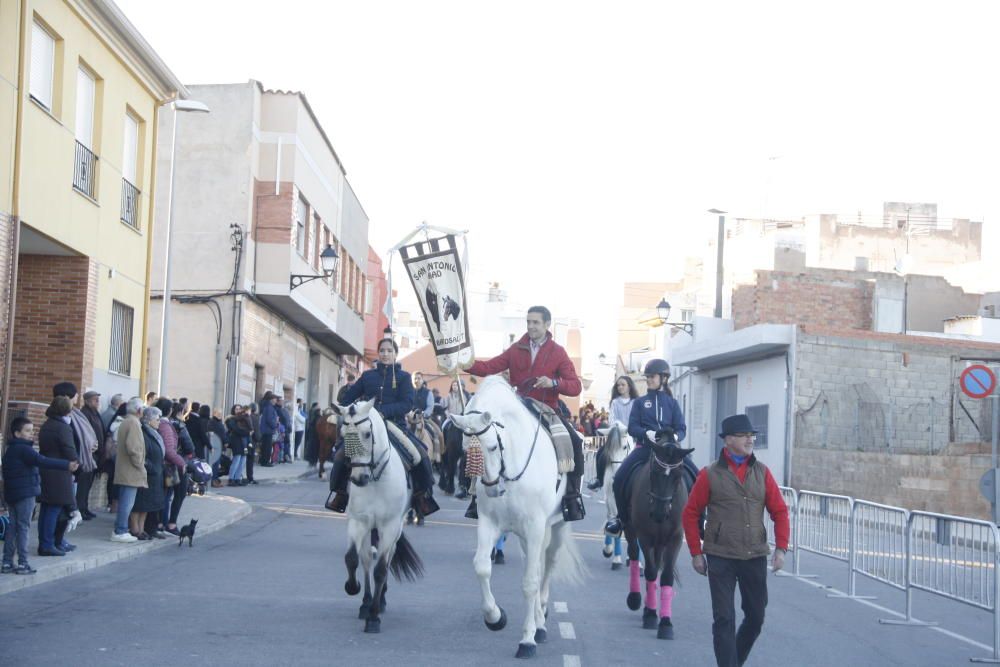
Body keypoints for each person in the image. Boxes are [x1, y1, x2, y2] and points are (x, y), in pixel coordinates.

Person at [458, 305, 586, 521]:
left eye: (536, 322)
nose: (531, 326)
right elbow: (489, 367)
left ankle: (571, 498)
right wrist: (462, 363)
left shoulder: (558, 352)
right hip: (516, 406)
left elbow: (575, 386)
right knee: (483, 439)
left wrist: (553, 382)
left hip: (547, 408)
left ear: (547, 324)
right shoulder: (516, 348)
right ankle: (476, 496)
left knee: (574, 442)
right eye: (528, 322)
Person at [682, 414, 790, 667]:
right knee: (723, 619)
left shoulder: (762, 472)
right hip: (721, 557)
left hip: (754, 556)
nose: (750, 439)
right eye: (744, 435)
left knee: (755, 618)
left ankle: (734, 661)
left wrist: (781, 549)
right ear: (728, 440)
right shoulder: (709, 474)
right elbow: (690, 513)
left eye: (752, 435)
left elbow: (780, 512)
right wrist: (696, 553)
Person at [327, 338, 439, 517]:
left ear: (395, 354)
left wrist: (381, 412)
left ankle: (421, 498)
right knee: (342, 454)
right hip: (365, 425)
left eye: (389, 351)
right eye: (382, 351)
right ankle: (340, 494)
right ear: (378, 353)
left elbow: (406, 404)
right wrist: (347, 408)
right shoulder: (367, 376)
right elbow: (348, 399)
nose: (385, 354)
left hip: (393, 425)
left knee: (420, 454)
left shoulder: (403, 378)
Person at [605, 359, 689, 536]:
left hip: (670, 451)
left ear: (663, 378)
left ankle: (699, 521)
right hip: (645, 448)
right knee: (618, 478)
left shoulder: (672, 404)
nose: (648, 379)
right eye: (648, 376)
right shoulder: (640, 403)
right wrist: (646, 434)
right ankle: (621, 520)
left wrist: (675, 436)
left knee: (695, 476)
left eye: (652, 376)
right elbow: (633, 426)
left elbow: (681, 428)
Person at [4, 417, 79, 572]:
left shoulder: (10, 450)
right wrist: (66, 464)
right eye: (27, 431)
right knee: (23, 527)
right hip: (25, 494)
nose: (31, 434)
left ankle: (6, 562)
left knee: (12, 527)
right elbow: (42, 460)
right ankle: (23, 562)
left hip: (12, 494)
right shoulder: (25, 450)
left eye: (32, 430)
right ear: (17, 433)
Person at [36, 396, 79, 556]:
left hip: (47, 468)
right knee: (54, 508)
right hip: (59, 470)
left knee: (47, 508)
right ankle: (49, 544)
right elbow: (69, 449)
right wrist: (77, 462)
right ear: (67, 410)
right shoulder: (62, 427)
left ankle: (48, 542)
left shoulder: (48, 424)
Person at [52, 382, 99, 523]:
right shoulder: (61, 418)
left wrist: (91, 444)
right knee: (60, 506)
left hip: (77, 462)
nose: (78, 395)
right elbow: (70, 440)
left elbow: (85, 435)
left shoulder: (76, 413)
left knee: (68, 503)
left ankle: (60, 537)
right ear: (67, 396)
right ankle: (53, 539)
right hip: (67, 464)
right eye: (75, 393)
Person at [588, 375, 639, 491]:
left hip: (632, 434)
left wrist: (631, 428)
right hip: (617, 433)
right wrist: (617, 427)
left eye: (623, 385)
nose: (620, 387)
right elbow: (612, 419)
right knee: (601, 452)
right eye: (618, 385)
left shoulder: (636, 402)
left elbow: (636, 418)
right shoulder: (615, 402)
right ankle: (599, 479)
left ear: (629, 386)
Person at [111, 397, 146, 543]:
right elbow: (134, 447)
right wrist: (140, 464)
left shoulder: (127, 420)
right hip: (130, 469)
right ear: (139, 410)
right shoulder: (133, 422)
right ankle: (120, 530)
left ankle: (121, 528)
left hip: (126, 468)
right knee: (127, 502)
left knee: (126, 501)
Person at [133, 407, 166, 540]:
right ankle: (136, 530)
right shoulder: (144, 433)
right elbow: (141, 454)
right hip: (147, 474)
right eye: (157, 419)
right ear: (150, 420)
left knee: (148, 505)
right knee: (140, 504)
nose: (159, 422)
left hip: (155, 474)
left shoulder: (153, 432)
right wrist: (152, 467)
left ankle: (143, 529)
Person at [80, 390, 108, 518]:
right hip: (89, 454)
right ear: (87, 401)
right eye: (95, 400)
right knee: (83, 484)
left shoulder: (95, 413)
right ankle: (80, 509)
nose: (98, 402)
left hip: (96, 454)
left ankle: (84, 507)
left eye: (98, 400)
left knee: (88, 483)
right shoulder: (85, 414)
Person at [226, 405, 252, 486]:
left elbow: (249, 429)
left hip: (244, 442)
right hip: (236, 441)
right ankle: (231, 479)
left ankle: (237, 478)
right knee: (236, 460)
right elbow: (236, 430)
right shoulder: (231, 419)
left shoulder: (243, 418)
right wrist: (247, 432)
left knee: (243, 460)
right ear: (233, 410)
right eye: (236, 409)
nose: (238, 410)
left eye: (239, 409)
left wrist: (248, 433)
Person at [258, 393, 278, 467]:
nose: (276, 401)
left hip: (267, 430)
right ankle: (265, 461)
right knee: (267, 447)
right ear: (271, 400)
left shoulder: (269, 407)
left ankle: (264, 461)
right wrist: (275, 425)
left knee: (266, 446)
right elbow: (269, 419)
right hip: (268, 430)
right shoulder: (269, 407)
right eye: (275, 399)